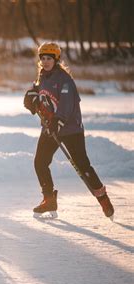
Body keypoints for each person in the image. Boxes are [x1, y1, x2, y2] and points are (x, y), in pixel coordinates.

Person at [23, 42, 115, 220]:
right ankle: (48, 199)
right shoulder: (42, 77)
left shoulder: (65, 80)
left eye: (49, 58)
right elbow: (37, 91)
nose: (46, 61)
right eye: (43, 58)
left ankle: (102, 198)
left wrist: (57, 122)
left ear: (56, 59)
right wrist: (31, 96)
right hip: (50, 128)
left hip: (71, 129)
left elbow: (66, 106)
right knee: (40, 162)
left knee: (82, 165)